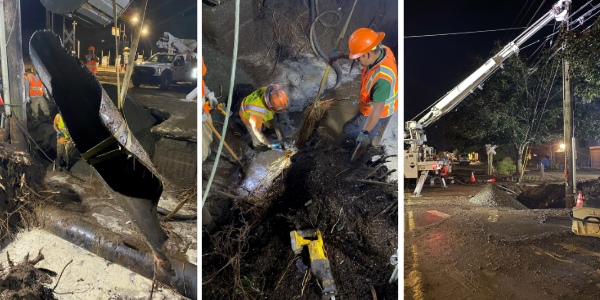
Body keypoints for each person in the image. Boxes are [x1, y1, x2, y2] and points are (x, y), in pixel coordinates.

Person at [342, 28, 398, 148]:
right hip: (385, 105)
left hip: (380, 111)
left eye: (358, 58)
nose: (356, 60)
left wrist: (364, 132)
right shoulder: (383, 50)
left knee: (347, 130)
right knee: (373, 126)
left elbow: (377, 109)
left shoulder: (381, 78)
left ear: (368, 54)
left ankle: (361, 145)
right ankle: (370, 138)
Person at [239, 84, 288, 149]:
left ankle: (269, 131)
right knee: (257, 139)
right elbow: (257, 132)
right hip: (247, 115)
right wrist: (268, 144)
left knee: (271, 125)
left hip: (256, 105)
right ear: (269, 106)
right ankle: (258, 147)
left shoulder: (272, 89)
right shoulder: (257, 113)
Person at [202, 57, 218, 161]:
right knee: (201, 143)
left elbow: (202, 86)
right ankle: (202, 160)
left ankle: (207, 153)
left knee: (208, 136)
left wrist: (210, 95)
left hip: (205, 113)